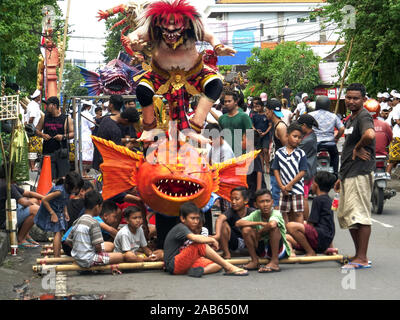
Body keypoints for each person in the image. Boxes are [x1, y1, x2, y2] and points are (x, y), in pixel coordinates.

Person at [334, 83, 375, 270]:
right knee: (348, 215)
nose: (351, 101)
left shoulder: (364, 115)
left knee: (360, 215)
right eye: (348, 97)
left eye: (355, 98)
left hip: (360, 172)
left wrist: (359, 147)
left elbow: (369, 134)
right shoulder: (351, 118)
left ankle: (362, 257)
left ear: (363, 99)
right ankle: (359, 255)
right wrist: (341, 177)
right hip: (349, 173)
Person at [163, 202, 248, 277]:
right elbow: (195, 238)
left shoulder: (188, 227)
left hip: (183, 262)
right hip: (173, 265)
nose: (196, 221)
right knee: (199, 244)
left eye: (197, 218)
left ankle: (200, 271)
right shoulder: (180, 227)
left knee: (218, 263)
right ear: (183, 219)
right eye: (192, 218)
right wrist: (212, 240)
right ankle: (229, 267)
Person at [236, 189, 291, 272]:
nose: (265, 204)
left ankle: (274, 262)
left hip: (278, 251)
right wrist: (259, 223)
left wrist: (259, 232)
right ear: (256, 204)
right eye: (261, 202)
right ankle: (255, 261)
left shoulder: (276, 213)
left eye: (267, 201)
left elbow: (272, 224)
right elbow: (238, 223)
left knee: (274, 229)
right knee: (246, 230)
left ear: (272, 202)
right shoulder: (256, 214)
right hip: (262, 250)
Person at [65, 190, 124, 268]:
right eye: (101, 207)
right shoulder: (94, 223)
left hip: (77, 258)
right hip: (89, 259)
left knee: (109, 247)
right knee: (120, 256)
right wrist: (99, 253)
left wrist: (79, 250)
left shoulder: (77, 220)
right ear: (97, 207)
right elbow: (98, 247)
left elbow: (68, 241)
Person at [286, 171, 337, 256]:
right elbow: (329, 222)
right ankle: (313, 249)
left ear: (316, 185)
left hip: (320, 237)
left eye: (312, 183)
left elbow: (311, 223)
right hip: (326, 237)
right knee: (287, 237)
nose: (311, 185)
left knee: (290, 226)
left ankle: (310, 251)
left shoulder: (318, 200)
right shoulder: (328, 199)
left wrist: (302, 227)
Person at [34, 172, 84, 257]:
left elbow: (63, 201)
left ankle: (56, 255)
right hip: (50, 210)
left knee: (60, 232)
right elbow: (44, 200)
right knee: (57, 232)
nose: (77, 191)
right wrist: (52, 213)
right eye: (76, 188)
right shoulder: (59, 191)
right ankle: (56, 257)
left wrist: (65, 212)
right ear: (70, 186)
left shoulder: (67, 191)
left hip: (58, 211)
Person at [271, 122, 308, 224]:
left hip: (297, 189)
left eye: (300, 137)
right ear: (287, 135)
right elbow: (276, 169)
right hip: (283, 189)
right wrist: (281, 186)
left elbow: (302, 172)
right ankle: (287, 234)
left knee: (298, 213)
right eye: (295, 136)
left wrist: (290, 185)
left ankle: (298, 233)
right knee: (284, 212)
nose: (297, 139)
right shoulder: (279, 152)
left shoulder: (301, 153)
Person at [92, 95, 140, 170]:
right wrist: (128, 147)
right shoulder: (115, 129)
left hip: (99, 160)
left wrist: (129, 140)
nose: (128, 126)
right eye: (129, 124)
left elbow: (111, 140)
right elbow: (118, 153)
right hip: (107, 165)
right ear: (126, 120)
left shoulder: (106, 119)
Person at [0, 166, 44, 248]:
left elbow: (28, 193)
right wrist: (35, 205)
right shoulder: (7, 185)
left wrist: (44, 198)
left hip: (9, 212)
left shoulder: (7, 182)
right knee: (36, 209)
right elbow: (24, 202)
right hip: (4, 220)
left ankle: (26, 235)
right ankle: (20, 239)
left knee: (35, 201)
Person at [35, 96, 74, 180]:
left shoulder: (66, 119)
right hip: (47, 151)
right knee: (48, 177)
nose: (46, 107)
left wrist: (63, 136)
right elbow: (36, 130)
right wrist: (42, 135)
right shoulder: (44, 117)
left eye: (48, 105)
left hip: (62, 152)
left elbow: (73, 133)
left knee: (62, 177)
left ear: (54, 106)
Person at [212, 187, 255, 259]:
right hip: (235, 242)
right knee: (223, 223)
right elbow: (220, 219)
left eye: (237, 199)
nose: (233, 202)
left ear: (245, 201)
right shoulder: (231, 211)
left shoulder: (252, 212)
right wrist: (217, 235)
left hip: (250, 242)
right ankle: (227, 253)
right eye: (232, 199)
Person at [309, 95, 345, 178]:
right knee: (335, 156)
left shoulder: (311, 115)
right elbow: (342, 129)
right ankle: (335, 174)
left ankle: (309, 175)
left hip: (315, 144)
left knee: (308, 157)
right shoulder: (333, 116)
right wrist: (336, 138)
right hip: (330, 144)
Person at [265, 99, 288, 209]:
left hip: (279, 166)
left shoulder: (280, 127)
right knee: (275, 195)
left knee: (276, 197)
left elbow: (287, 148)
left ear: (271, 112)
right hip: (275, 164)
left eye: (266, 111)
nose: (266, 113)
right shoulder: (276, 125)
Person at [218, 90, 253, 157]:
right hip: (226, 156)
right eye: (225, 101)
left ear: (235, 102)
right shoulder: (221, 119)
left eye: (229, 101)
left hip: (241, 156)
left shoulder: (244, 117)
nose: (227, 103)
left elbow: (250, 137)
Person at [297, 114, 319, 220]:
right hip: (309, 168)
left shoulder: (308, 140)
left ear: (304, 125)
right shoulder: (310, 136)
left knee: (303, 197)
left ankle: (305, 220)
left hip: (306, 170)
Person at [242, 132, 266, 208]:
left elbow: (259, 172)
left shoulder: (254, 155)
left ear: (249, 141)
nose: (241, 142)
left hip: (255, 190)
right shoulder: (248, 155)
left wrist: (258, 192)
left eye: (243, 140)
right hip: (250, 188)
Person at [251, 97, 272, 172]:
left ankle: (267, 166)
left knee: (266, 150)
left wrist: (265, 132)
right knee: (260, 152)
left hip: (265, 135)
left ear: (262, 107)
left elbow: (270, 125)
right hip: (258, 136)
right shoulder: (254, 116)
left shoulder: (266, 115)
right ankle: (262, 168)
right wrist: (256, 131)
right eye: (256, 106)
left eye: (258, 106)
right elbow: (252, 125)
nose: (257, 108)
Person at [26, 89, 43, 171]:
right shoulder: (34, 105)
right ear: (38, 97)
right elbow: (31, 118)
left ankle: (32, 166)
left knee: (34, 148)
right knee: (33, 148)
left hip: (34, 128)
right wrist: (31, 128)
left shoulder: (31, 104)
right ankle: (32, 166)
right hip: (34, 129)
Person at [80, 101, 96, 174]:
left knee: (81, 155)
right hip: (86, 138)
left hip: (80, 137)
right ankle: (84, 173)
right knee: (86, 156)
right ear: (89, 107)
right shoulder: (88, 115)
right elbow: (92, 127)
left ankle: (82, 172)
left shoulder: (78, 114)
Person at [387, 92, 400, 174]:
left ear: (398, 100)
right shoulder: (397, 108)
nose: (393, 101)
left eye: (394, 99)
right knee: (393, 159)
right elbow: (398, 122)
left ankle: (387, 174)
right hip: (397, 136)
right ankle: (387, 174)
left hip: (397, 137)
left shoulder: (397, 108)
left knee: (394, 158)